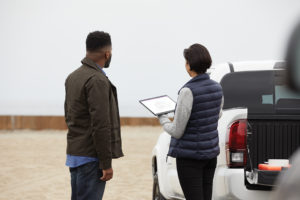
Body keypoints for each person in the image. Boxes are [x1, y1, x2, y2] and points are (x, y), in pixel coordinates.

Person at [158, 44, 223, 200]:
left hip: (190, 158)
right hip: (210, 155)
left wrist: (162, 117)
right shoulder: (217, 87)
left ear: (189, 64)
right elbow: (217, 114)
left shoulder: (188, 91)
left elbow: (176, 131)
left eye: (186, 61)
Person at [64, 31, 124, 200]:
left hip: (75, 154)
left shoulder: (72, 77)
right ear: (107, 53)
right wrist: (106, 163)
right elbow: (100, 125)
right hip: (91, 158)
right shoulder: (96, 80)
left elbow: (68, 115)